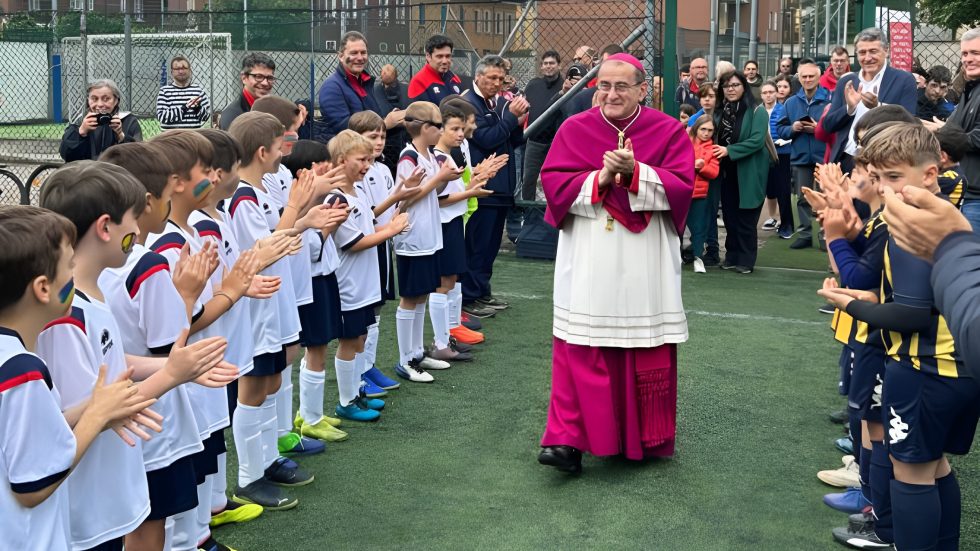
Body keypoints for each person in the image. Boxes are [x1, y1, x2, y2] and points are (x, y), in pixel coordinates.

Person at [819, 123, 977, 551]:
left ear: (930, 174)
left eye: (895, 177)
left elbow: (910, 315)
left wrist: (851, 304)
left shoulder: (912, 226)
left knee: (911, 472)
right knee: (935, 467)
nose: (885, 189)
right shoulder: (940, 214)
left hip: (925, 369)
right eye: (878, 177)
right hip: (957, 368)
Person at [538, 53, 694, 473]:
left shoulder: (667, 130)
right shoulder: (575, 129)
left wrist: (637, 172)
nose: (610, 94)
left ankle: (638, 441)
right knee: (579, 348)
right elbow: (553, 185)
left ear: (643, 90)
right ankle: (566, 441)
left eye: (621, 86)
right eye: (603, 85)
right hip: (590, 252)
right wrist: (602, 178)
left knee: (641, 348)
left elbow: (683, 187)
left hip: (644, 260)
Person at [0, 204, 163, 551]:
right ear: (43, 288)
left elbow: (31, 435)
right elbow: (33, 485)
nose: (75, 275)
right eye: (69, 266)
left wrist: (97, 404)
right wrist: (97, 415)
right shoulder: (21, 370)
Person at [225, 112, 329, 510]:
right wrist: (297, 213)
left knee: (271, 381)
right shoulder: (243, 198)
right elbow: (262, 252)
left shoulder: (261, 188)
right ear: (262, 151)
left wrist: (303, 218)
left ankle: (266, 460)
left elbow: (279, 236)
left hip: (276, 297)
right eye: (280, 142)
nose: (286, 149)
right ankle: (249, 477)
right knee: (253, 387)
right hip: (259, 305)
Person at [391, 102, 459, 382]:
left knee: (420, 296)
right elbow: (406, 198)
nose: (442, 130)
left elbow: (433, 191)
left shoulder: (429, 155)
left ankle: (418, 352)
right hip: (413, 236)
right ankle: (405, 359)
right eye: (438, 125)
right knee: (409, 297)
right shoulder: (408, 156)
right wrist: (438, 180)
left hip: (429, 236)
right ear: (424, 127)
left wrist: (444, 179)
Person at [461, 55, 527, 317]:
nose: (497, 83)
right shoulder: (470, 104)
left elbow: (512, 140)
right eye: (491, 78)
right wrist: (510, 118)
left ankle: (482, 291)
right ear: (478, 77)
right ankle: (470, 296)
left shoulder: (497, 103)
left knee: (489, 247)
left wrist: (516, 121)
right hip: (482, 187)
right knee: (477, 244)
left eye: (500, 79)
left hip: (500, 186)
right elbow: (486, 139)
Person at [430, 103, 496, 360]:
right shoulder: (439, 159)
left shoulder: (448, 157)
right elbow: (440, 199)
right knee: (443, 283)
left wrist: (477, 178)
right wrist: (473, 189)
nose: (460, 133)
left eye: (461, 128)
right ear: (440, 129)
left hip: (454, 221)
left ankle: (449, 334)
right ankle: (441, 341)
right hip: (444, 223)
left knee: (452, 279)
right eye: (454, 129)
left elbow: (456, 191)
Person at [822, 28, 918, 171]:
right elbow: (828, 125)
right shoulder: (847, 81)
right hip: (846, 159)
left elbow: (910, 123)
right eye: (862, 52)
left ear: (886, 51)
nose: (867, 58)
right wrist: (850, 109)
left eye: (873, 51)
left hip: (883, 161)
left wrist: (878, 106)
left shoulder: (904, 80)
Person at [713, 70, 770, 273]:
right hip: (726, 172)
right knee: (730, 216)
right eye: (726, 86)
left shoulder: (757, 111)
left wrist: (729, 150)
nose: (731, 89)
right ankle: (731, 256)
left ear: (744, 87)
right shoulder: (719, 112)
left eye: (735, 85)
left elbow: (756, 141)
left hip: (749, 172)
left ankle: (746, 260)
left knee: (747, 218)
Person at [777, 59, 832, 250]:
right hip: (800, 156)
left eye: (811, 76)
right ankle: (805, 234)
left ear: (819, 77)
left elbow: (838, 128)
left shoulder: (830, 99)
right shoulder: (791, 102)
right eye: (804, 76)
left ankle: (826, 235)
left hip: (825, 156)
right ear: (798, 78)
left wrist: (819, 129)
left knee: (827, 197)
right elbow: (780, 129)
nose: (807, 79)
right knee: (803, 197)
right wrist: (793, 128)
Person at [319, 31, 404, 144]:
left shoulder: (366, 83)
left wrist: (396, 121)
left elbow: (373, 119)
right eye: (354, 53)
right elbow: (343, 129)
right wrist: (384, 124)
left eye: (363, 52)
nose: (360, 58)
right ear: (340, 56)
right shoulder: (331, 87)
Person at [61, 79, 142, 162]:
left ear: (116, 101)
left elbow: (138, 157)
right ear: (88, 100)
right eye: (94, 99)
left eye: (106, 99)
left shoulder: (128, 120)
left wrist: (121, 136)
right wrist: (81, 133)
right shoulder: (79, 121)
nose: (100, 104)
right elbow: (66, 155)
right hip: (86, 172)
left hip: (117, 172)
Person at [948, 28, 980, 230]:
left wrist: (946, 133)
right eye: (964, 53)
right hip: (965, 194)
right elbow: (950, 127)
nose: (967, 59)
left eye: (975, 53)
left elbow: (977, 139)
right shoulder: (969, 90)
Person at [522, 50, 565, 201]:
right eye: (545, 63)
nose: (548, 66)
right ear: (541, 67)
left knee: (556, 180)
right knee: (529, 179)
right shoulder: (533, 85)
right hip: (535, 140)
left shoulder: (565, 86)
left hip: (556, 142)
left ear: (559, 65)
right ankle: (528, 214)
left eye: (552, 63)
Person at [687, 115, 720, 273]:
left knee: (699, 228)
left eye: (710, 130)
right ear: (696, 128)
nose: (707, 133)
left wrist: (700, 167)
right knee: (675, 227)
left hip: (700, 194)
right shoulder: (684, 142)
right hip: (681, 191)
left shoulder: (713, 148)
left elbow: (713, 172)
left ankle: (697, 257)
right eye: (703, 129)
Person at [761, 80, 794, 238]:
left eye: (771, 92)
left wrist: (785, 140)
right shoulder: (758, 111)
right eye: (765, 93)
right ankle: (773, 218)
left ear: (776, 93)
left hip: (782, 153)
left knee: (783, 189)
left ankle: (787, 224)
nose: (768, 95)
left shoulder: (784, 109)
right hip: (762, 154)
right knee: (768, 189)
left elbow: (792, 130)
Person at [219, 53, 276, 130]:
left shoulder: (275, 110)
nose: (265, 83)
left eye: (270, 78)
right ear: (244, 78)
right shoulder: (233, 116)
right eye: (258, 77)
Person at [373, 63, 411, 174]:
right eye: (384, 72)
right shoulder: (374, 91)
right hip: (384, 142)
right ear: (380, 74)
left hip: (404, 140)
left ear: (395, 75)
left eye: (389, 71)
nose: (386, 73)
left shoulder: (406, 89)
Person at [156, 55, 211, 130]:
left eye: (184, 68)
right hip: (171, 138)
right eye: (177, 68)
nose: (181, 71)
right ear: (172, 72)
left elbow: (206, 117)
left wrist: (197, 108)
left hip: (193, 137)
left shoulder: (198, 90)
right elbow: (162, 117)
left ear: (190, 70)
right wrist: (184, 108)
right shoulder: (164, 91)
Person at [408, 35, 464, 105]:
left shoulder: (454, 78)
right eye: (439, 56)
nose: (445, 61)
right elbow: (418, 114)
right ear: (428, 56)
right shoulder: (418, 82)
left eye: (448, 56)